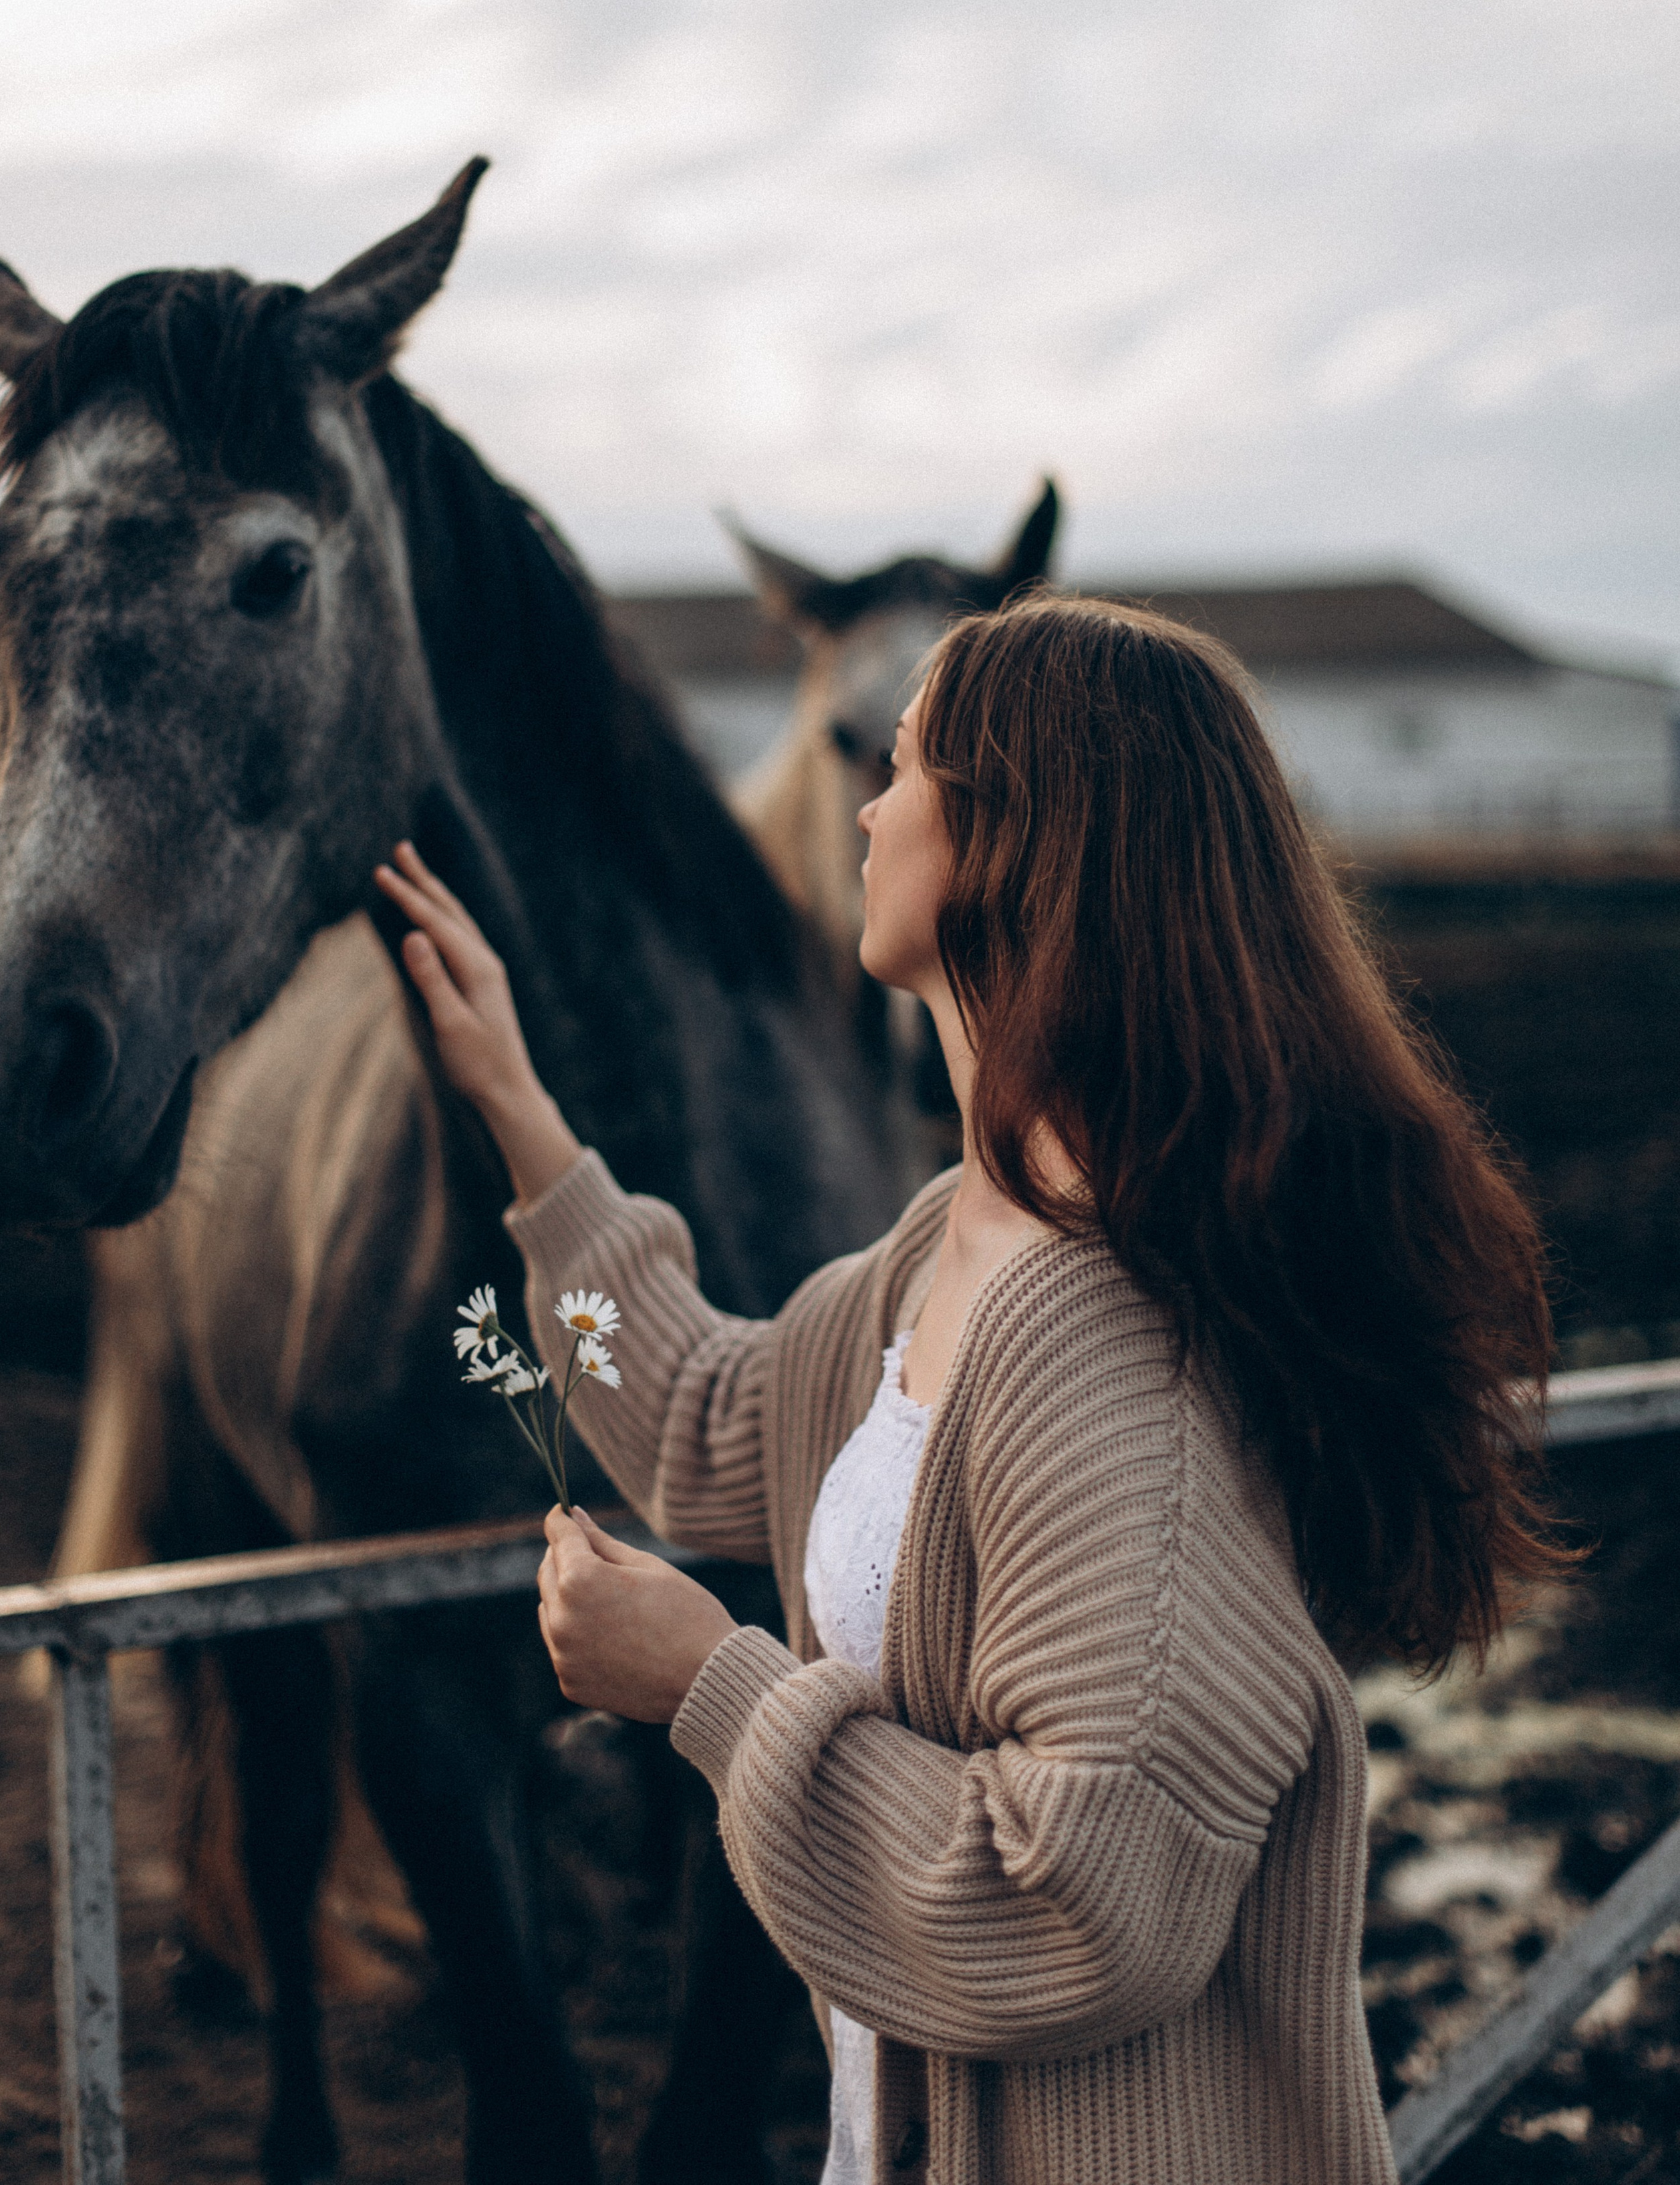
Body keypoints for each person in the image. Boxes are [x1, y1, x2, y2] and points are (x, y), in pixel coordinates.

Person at [376, 592, 1562, 2185]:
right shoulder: (946, 1239)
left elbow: (1088, 1900)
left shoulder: (1106, 1330)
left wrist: (707, 1690)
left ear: (1013, 842)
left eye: (904, 762)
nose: (863, 805)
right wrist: (526, 1129)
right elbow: (677, 1418)